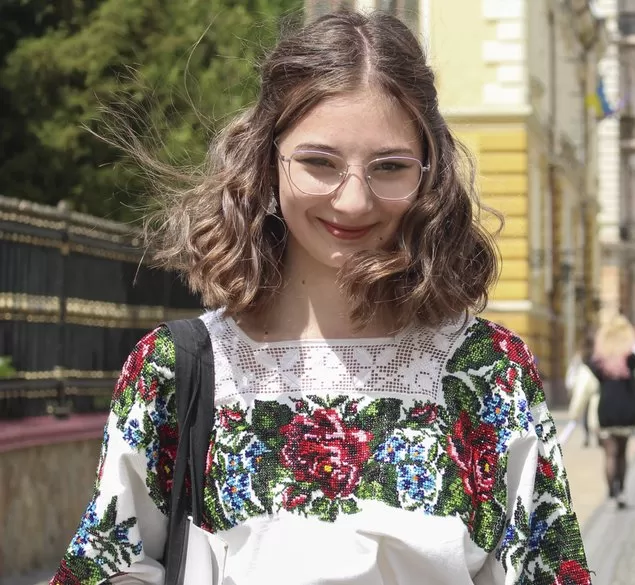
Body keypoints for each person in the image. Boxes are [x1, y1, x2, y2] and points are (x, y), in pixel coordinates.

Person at [49, 10, 589, 585]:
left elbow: (548, 571)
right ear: (267, 160)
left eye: (389, 167)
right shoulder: (174, 371)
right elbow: (108, 567)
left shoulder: (488, 375)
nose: (353, 200)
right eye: (318, 162)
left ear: (429, 175)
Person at [568, 314, 635, 508]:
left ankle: (612, 489)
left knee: (610, 453)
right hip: (628, 411)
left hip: (605, 412)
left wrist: (574, 414)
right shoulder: (632, 360)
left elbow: (584, 388)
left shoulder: (598, 363)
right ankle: (622, 490)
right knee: (622, 453)